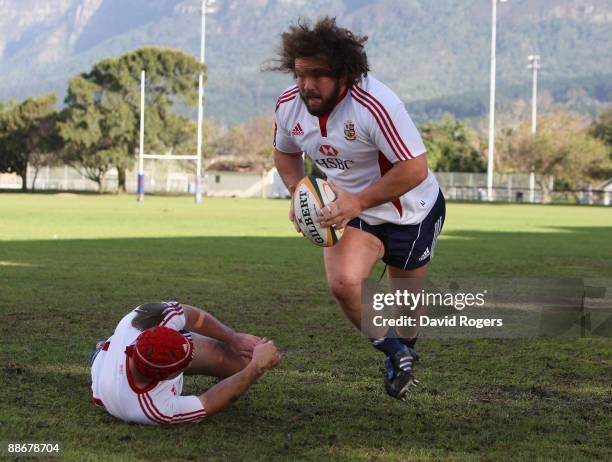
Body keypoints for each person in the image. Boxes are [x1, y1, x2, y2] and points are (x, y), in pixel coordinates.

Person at [270, 17, 445, 400]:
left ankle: (406, 346)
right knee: (345, 283)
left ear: (345, 72)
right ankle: (395, 353)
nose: (307, 85)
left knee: (406, 308)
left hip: (410, 210)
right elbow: (285, 153)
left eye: (318, 75)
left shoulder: (375, 104)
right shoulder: (289, 106)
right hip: (349, 212)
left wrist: (360, 200)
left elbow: (415, 167)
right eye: (300, 74)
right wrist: (298, 193)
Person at [90, 301, 281, 424]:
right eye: (186, 360)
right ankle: (104, 347)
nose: (191, 354)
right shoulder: (152, 409)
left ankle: (109, 344)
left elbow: (189, 315)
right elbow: (207, 403)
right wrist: (257, 367)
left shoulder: (142, 320)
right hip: (104, 369)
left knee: (243, 358)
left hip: (121, 353)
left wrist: (233, 338)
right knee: (248, 364)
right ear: (168, 376)